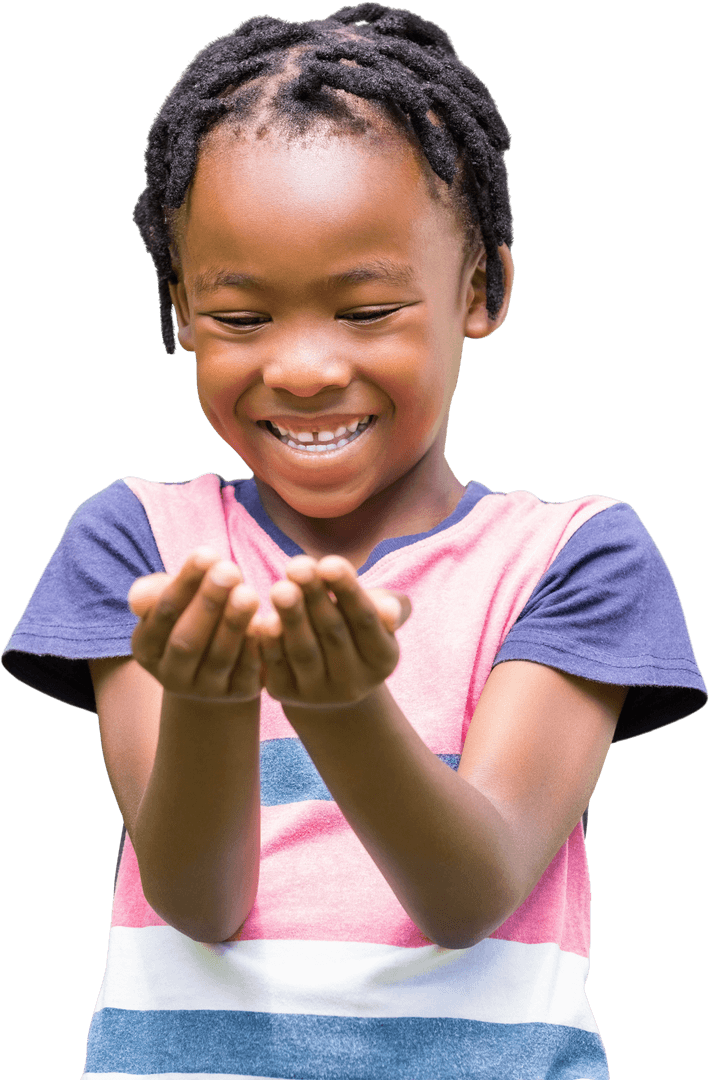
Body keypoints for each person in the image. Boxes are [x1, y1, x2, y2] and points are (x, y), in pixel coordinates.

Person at [3, 4, 706, 1078]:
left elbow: (470, 892)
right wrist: (209, 698)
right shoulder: (142, 543)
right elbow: (197, 900)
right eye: (241, 318)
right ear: (180, 310)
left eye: (367, 310)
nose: (303, 370)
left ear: (482, 289)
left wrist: (341, 708)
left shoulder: (572, 557)